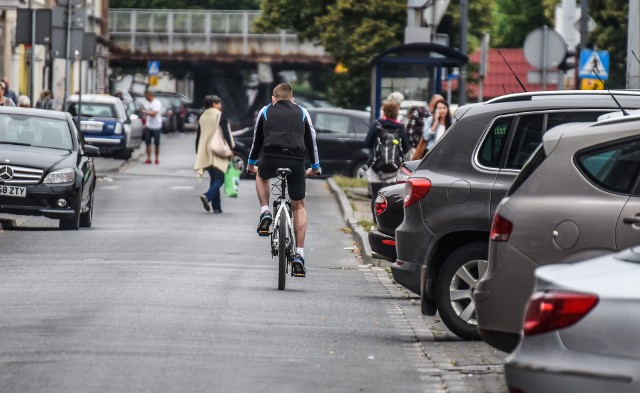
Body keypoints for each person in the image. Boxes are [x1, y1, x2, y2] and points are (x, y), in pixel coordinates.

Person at [246, 83, 321, 278]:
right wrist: (315, 167)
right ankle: (299, 255)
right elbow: (311, 139)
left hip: (270, 158)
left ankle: (265, 212)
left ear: (274, 98)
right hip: (296, 162)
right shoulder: (302, 111)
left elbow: (257, 140)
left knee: (262, 176)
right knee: (299, 206)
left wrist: (251, 164)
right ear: (292, 98)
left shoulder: (265, 110)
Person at [365, 100, 409, 221]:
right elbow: (405, 148)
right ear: (397, 112)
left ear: (384, 111)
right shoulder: (400, 127)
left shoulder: (377, 124)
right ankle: (387, 221)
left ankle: (375, 221)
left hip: (376, 167)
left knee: (376, 195)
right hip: (394, 169)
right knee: (390, 197)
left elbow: (367, 143)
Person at [194, 95, 234, 214]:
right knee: (221, 177)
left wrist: (198, 151)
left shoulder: (202, 116)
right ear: (214, 104)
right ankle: (207, 196)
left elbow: (198, 135)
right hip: (218, 150)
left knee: (214, 178)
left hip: (205, 150)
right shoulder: (220, 115)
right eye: (219, 103)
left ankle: (217, 207)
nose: (220, 105)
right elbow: (226, 133)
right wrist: (230, 149)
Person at [412, 94, 445, 160]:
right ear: (432, 102)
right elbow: (425, 136)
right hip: (422, 150)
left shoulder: (445, 119)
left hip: (439, 153)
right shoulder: (425, 116)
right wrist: (414, 147)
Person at [142, 90, 163, 164]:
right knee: (148, 142)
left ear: (149, 95)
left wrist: (145, 112)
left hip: (156, 126)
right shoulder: (149, 103)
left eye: (146, 96)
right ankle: (148, 158)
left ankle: (156, 158)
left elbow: (154, 114)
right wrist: (145, 123)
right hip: (149, 126)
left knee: (157, 143)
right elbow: (148, 116)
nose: (145, 98)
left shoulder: (156, 103)